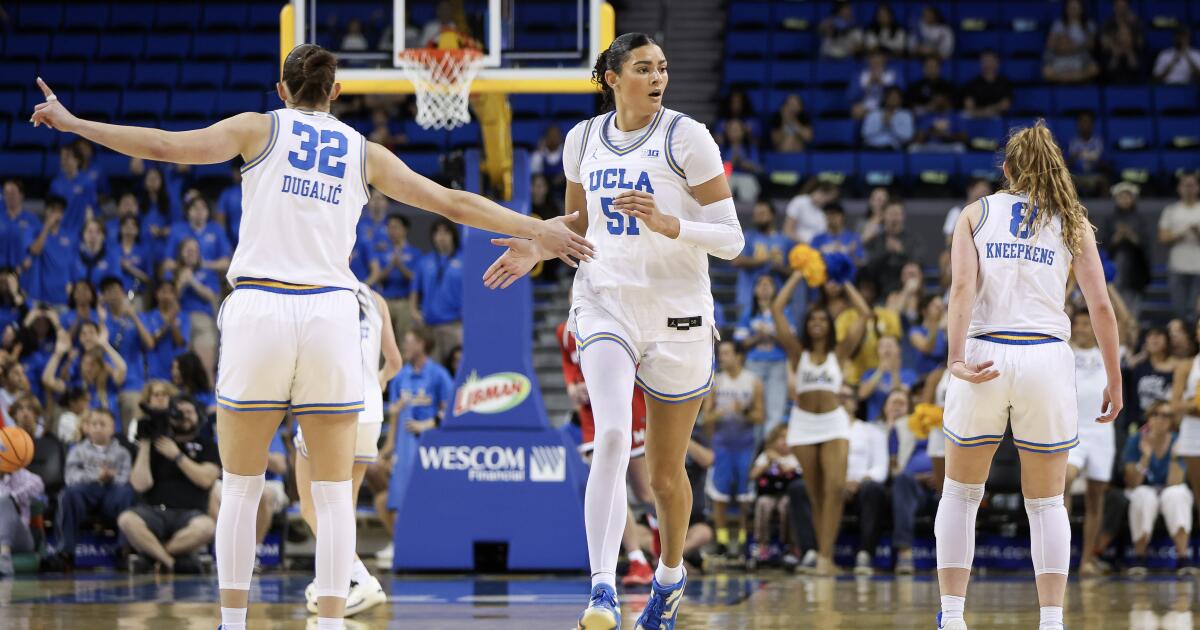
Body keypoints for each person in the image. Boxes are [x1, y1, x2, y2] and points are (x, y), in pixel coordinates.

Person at [29, 41, 590, 629]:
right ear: (336, 93)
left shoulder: (256, 127)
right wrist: (536, 228)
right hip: (328, 314)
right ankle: (328, 624)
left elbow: (163, 146)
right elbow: (450, 202)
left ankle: (232, 624)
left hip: (259, 309)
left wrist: (71, 122)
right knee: (330, 494)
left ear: (281, 90)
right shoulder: (363, 150)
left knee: (242, 490)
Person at [483, 32, 742, 629]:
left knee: (665, 474)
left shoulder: (687, 137)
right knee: (612, 435)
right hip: (604, 303)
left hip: (678, 313)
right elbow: (577, 221)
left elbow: (732, 239)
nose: (658, 78)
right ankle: (601, 591)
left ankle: (669, 577)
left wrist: (668, 221)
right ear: (612, 77)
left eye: (664, 67)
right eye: (645, 68)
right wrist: (536, 248)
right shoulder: (582, 139)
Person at [936, 120, 1122, 630]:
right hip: (1044, 357)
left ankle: (952, 616)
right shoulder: (1072, 222)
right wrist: (1114, 376)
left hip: (985, 355)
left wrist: (955, 359)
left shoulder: (975, 213)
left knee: (960, 493)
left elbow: (961, 292)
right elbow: (1101, 307)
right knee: (1045, 502)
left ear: (1007, 169)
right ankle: (1052, 620)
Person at [295, 283, 402, 617]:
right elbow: (395, 362)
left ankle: (359, 576)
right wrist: (379, 380)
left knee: (311, 509)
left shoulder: (317, 289)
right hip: (370, 409)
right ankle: (334, 581)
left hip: (331, 404)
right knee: (342, 509)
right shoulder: (376, 299)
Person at [771, 269, 870, 575]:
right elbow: (776, 309)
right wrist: (798, 275)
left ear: (829, 325)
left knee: (836, 488)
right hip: (803, 424)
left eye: (822, 320)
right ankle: (822, 556)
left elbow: (863, 313)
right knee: (815, 494)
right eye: (812, 320)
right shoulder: (796, 353)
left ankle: (826, 557)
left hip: (833, 423)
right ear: (807, 325)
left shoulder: (839, 354)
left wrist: (844, 281)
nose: (817, 324)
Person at [555, 316, 655, 586]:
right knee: (609, 484)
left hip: (629, 406)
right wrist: (572, 387)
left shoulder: (620, 316)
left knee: (646, 491)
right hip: (592, 416)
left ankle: (662, 544)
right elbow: (569, 362)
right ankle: (636, 560)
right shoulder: (565, 331)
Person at [371, 327, 453, 569]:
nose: (405, 346)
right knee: (390, 500)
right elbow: (396, 417)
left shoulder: (438, 375)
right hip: (405, 447)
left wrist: (426, 424)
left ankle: (420, 544)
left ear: (422, 343)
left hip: (430, 447)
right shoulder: (401, 376)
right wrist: (387, 450)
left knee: (421, 501)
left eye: (409, 341)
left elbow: (450, 410)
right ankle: (401, 542)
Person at [1065, 294, 1135, 577]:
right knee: (1064, 482)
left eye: (1086, 324)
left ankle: (1086, 562)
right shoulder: (1064, 348)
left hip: (1102, 433)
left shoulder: (1108, 351)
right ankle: (1061, 555)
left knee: (1096, 499)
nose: (1082, 328)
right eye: (1078, 324)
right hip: (1074, 432)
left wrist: (1107, 288)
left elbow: (1126, 324)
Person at [117, 396, 221, 573]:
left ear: (199, 416)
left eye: (190, 412)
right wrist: (145, 442)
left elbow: (205, 480)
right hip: (154, 511)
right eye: (179, 413)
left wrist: (177, 456)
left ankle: (153, 557)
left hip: (190, 513)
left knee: (207, 528)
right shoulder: (156, 444)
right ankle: (170, 562)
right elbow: (140, 485)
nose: (185, 416)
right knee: (127, 520)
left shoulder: (207, 446)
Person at [702, 341, 763, 559]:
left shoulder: (753, 382)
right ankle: (722, 541)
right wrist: (716, 415)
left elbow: (760, 417)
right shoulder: (716, 383)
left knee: (745, 496)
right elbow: (705, 418)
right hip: (723, 445)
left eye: (727, 353)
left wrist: (744, 411)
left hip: (745, 445)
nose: (723, 357)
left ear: (739, 356)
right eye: (721, 353)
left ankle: (745, 541)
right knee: (720, 495)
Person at [1123, 401, 1196, 576]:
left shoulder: (1179, 442)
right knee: (1142, 496)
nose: (1160, 419)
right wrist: (1146, 456)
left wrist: (1173, 457)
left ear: (1172, 421)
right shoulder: (1136, 441)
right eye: (1155, 414)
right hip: (1145, 488)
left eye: (1166, 415)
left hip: (1169, 488)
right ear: (1148, 418)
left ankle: (1183, 558)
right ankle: (1140, 558)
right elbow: (1132, 483)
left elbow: (1174, 482)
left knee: (1177, 495)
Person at [55, 408, 135, 567]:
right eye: (94, 424)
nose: (98, 427)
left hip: (112, 491)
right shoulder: (77, 451)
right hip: (86, 491)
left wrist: (111, 477)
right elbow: (70, 477)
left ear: (113, 428)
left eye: (103, 424)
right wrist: (96, 477)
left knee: (127, 493)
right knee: (68, 493)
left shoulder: (123, 453)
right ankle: (65, 552)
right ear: (87, 428)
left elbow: (125, 477)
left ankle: (123, 550)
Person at [734, 275, 791, 437]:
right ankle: (756, 450)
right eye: (760, 284)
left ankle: (769, 449)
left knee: (776, 410)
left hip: (778, 364)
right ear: (755, 290)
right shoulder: (748, 313)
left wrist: (769, 332)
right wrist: (759, 336)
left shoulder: (784, 312)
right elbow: (740, 342)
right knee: (755, 409)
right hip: (753, 365)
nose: (764, 288)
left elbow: (790, 340)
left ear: (775, 290)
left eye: (768, 284)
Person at [888, 389, 936, 575]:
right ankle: (905, 553)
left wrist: (940, 475)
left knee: (957, 489)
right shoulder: (899, 427)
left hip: (941, 483)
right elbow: (893, 467)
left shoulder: (950, 423)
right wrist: (919, 477)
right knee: (901, 479)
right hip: (912, 486)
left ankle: (955, 562)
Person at [844, 398, 888, 576]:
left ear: (854, 403)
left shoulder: (871, 431)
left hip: (862, 486)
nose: (841, 399)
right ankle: (812, 552)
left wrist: (859, 480)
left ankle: (865, 553)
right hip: (830, 486)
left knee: (873, 489)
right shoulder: (821, 431)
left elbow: (880, 468)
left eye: (846, 395)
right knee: (800, 487)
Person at [410, 219, 463, 363]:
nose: (441, 237)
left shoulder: (465, 260)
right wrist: (414, 311)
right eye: (438, 233)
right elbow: (415, 290)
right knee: (432, 369)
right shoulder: (424, 261)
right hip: (429, 326)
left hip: (455, 325)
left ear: (453, 235)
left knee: (457, 370)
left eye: (446, 232)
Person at [367, 214, 420, 352]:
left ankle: (405, 372)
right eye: (389, 227)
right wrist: (391, 265)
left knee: (405, 341)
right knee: (382, 341)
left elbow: (416, 279)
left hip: (404, 302)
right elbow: (377, 277)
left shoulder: (414, 252)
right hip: (385, 300)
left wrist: (400, 266)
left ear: (405, 229)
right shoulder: (381, 252)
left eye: (395, 227)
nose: (392, 230)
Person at [749, 424, 799, 565]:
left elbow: (787, 469)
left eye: (788, 438)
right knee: (763, 504)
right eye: (781, 437)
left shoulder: (794, 457)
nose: (784, 441)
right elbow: (753, 475)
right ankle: (762, 545)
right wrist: (767, 462)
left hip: (787, 495)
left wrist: (777, 459)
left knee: (786, 506)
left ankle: (790, 546)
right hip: (769, 494)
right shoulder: (766, 455)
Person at [1158, 172, 1200, 318]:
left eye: (1192, 185)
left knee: (1195, 311)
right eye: (1185, 185)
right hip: (1177, 266)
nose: (1188, 188)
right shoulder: (1171, 211)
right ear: (1179, 188)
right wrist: (1180, 233)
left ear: (1197, 188)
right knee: (1179, 309)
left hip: (1198, 267)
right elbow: (1163, 237)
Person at [0, 450, 43, 577]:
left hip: (20, 537)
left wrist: (15, 497)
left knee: (5, 501)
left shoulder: (17, 473)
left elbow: (38, 484)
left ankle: (4, 555)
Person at [858, 335, 916, 422]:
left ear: (899, 349)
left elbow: (900, 396)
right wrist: (880, 371)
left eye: (890, 345)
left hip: (901, 422)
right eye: (882, 346)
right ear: (877, 351)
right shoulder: (869, 373)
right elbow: (862, 394)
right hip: (875, 423)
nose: (886, 349)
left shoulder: (909, 375)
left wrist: (895, 373)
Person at [783, 180, 838, 245]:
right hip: (799, 246)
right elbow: (788, 231)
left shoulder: (821, 213)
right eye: (831, 197)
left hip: (816, 248)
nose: (830, 201)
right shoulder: (799, 202)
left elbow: (823, 236)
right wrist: (809, 244)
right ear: (823, 192)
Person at [962, 51, 1013, 119]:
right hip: (976, 116)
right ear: (981, 63)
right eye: (985, 61)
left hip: (997, 117)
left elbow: (1006, 105)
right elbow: (968, 105)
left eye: (991, 60)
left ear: (997, 62)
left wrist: (991, 110)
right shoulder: (973, 83)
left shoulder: (1004, 82)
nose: (988, 64)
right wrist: (984, 112)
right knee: (964, 115)